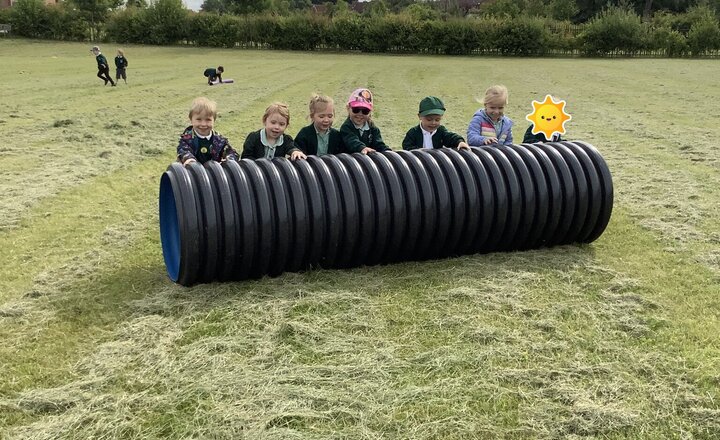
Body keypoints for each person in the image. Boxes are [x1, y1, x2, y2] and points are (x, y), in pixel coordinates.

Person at [177, 97, 238, 165]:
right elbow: (184, 152)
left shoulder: (220, 140)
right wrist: (189, 160)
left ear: (214, 120)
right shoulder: (186, 140)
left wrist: (229, 159)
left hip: (214, 173)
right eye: (199, 119)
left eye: (208, 120)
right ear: (191, 120)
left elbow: (231, 152)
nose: (203, 124)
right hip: (192, 173)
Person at [241, 102, 306, 160]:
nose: (277, 127)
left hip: (276, 172)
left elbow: (291, 148)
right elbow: (245, 158)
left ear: (286, 126)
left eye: (281, 124)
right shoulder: (253, 138)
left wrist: (295, 152)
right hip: (256, 172)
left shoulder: (286, 140)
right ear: (264, 121)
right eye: (273, 122)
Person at [402, 96, 470, 151]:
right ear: (420, 116)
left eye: (437, 120)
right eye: (429, 119)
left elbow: (450, 137)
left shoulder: (441, 131)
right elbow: (406, 146)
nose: (433, 123)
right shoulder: (413, 133)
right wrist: (418, 151)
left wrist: (460, 142)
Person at [340, 88, 391, 154]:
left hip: (367, 161)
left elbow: (378, 144)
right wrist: (362, 148)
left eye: (365, 111)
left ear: (370, 112)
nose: (360, 114)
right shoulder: (346, 128)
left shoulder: (373, 129)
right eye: (356, 110)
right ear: (348, 108)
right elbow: (352, 141)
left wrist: (388, 152)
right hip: (350, 161)